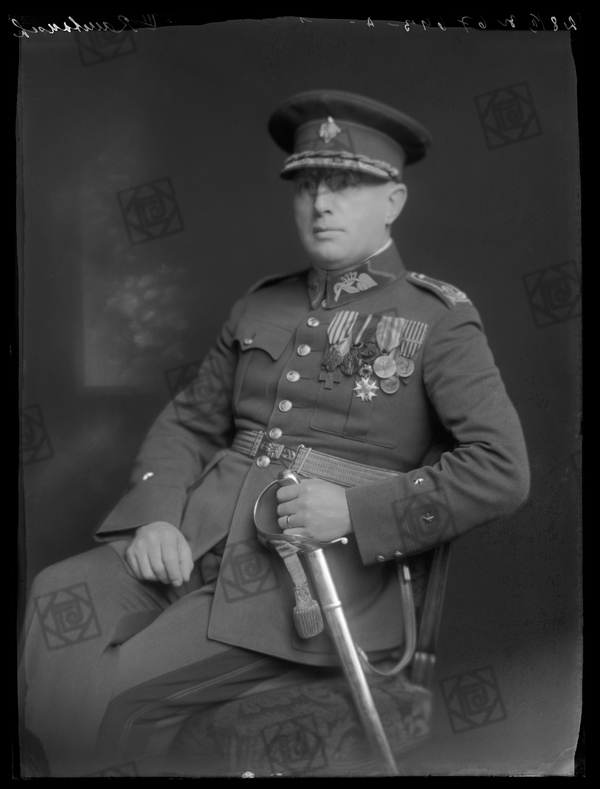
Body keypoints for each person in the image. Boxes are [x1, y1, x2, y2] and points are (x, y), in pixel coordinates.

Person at [19, 90, 530, 777]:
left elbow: (502, 470)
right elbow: (190, 422)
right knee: (57, 596)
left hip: (305, 584)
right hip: (195, 541)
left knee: (115, 695)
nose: (321, 203)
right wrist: (156, 515)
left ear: (393, 201)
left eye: (345, 185)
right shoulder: (261, 302)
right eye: (307, 185)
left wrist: (353, 511)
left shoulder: (438, 319)